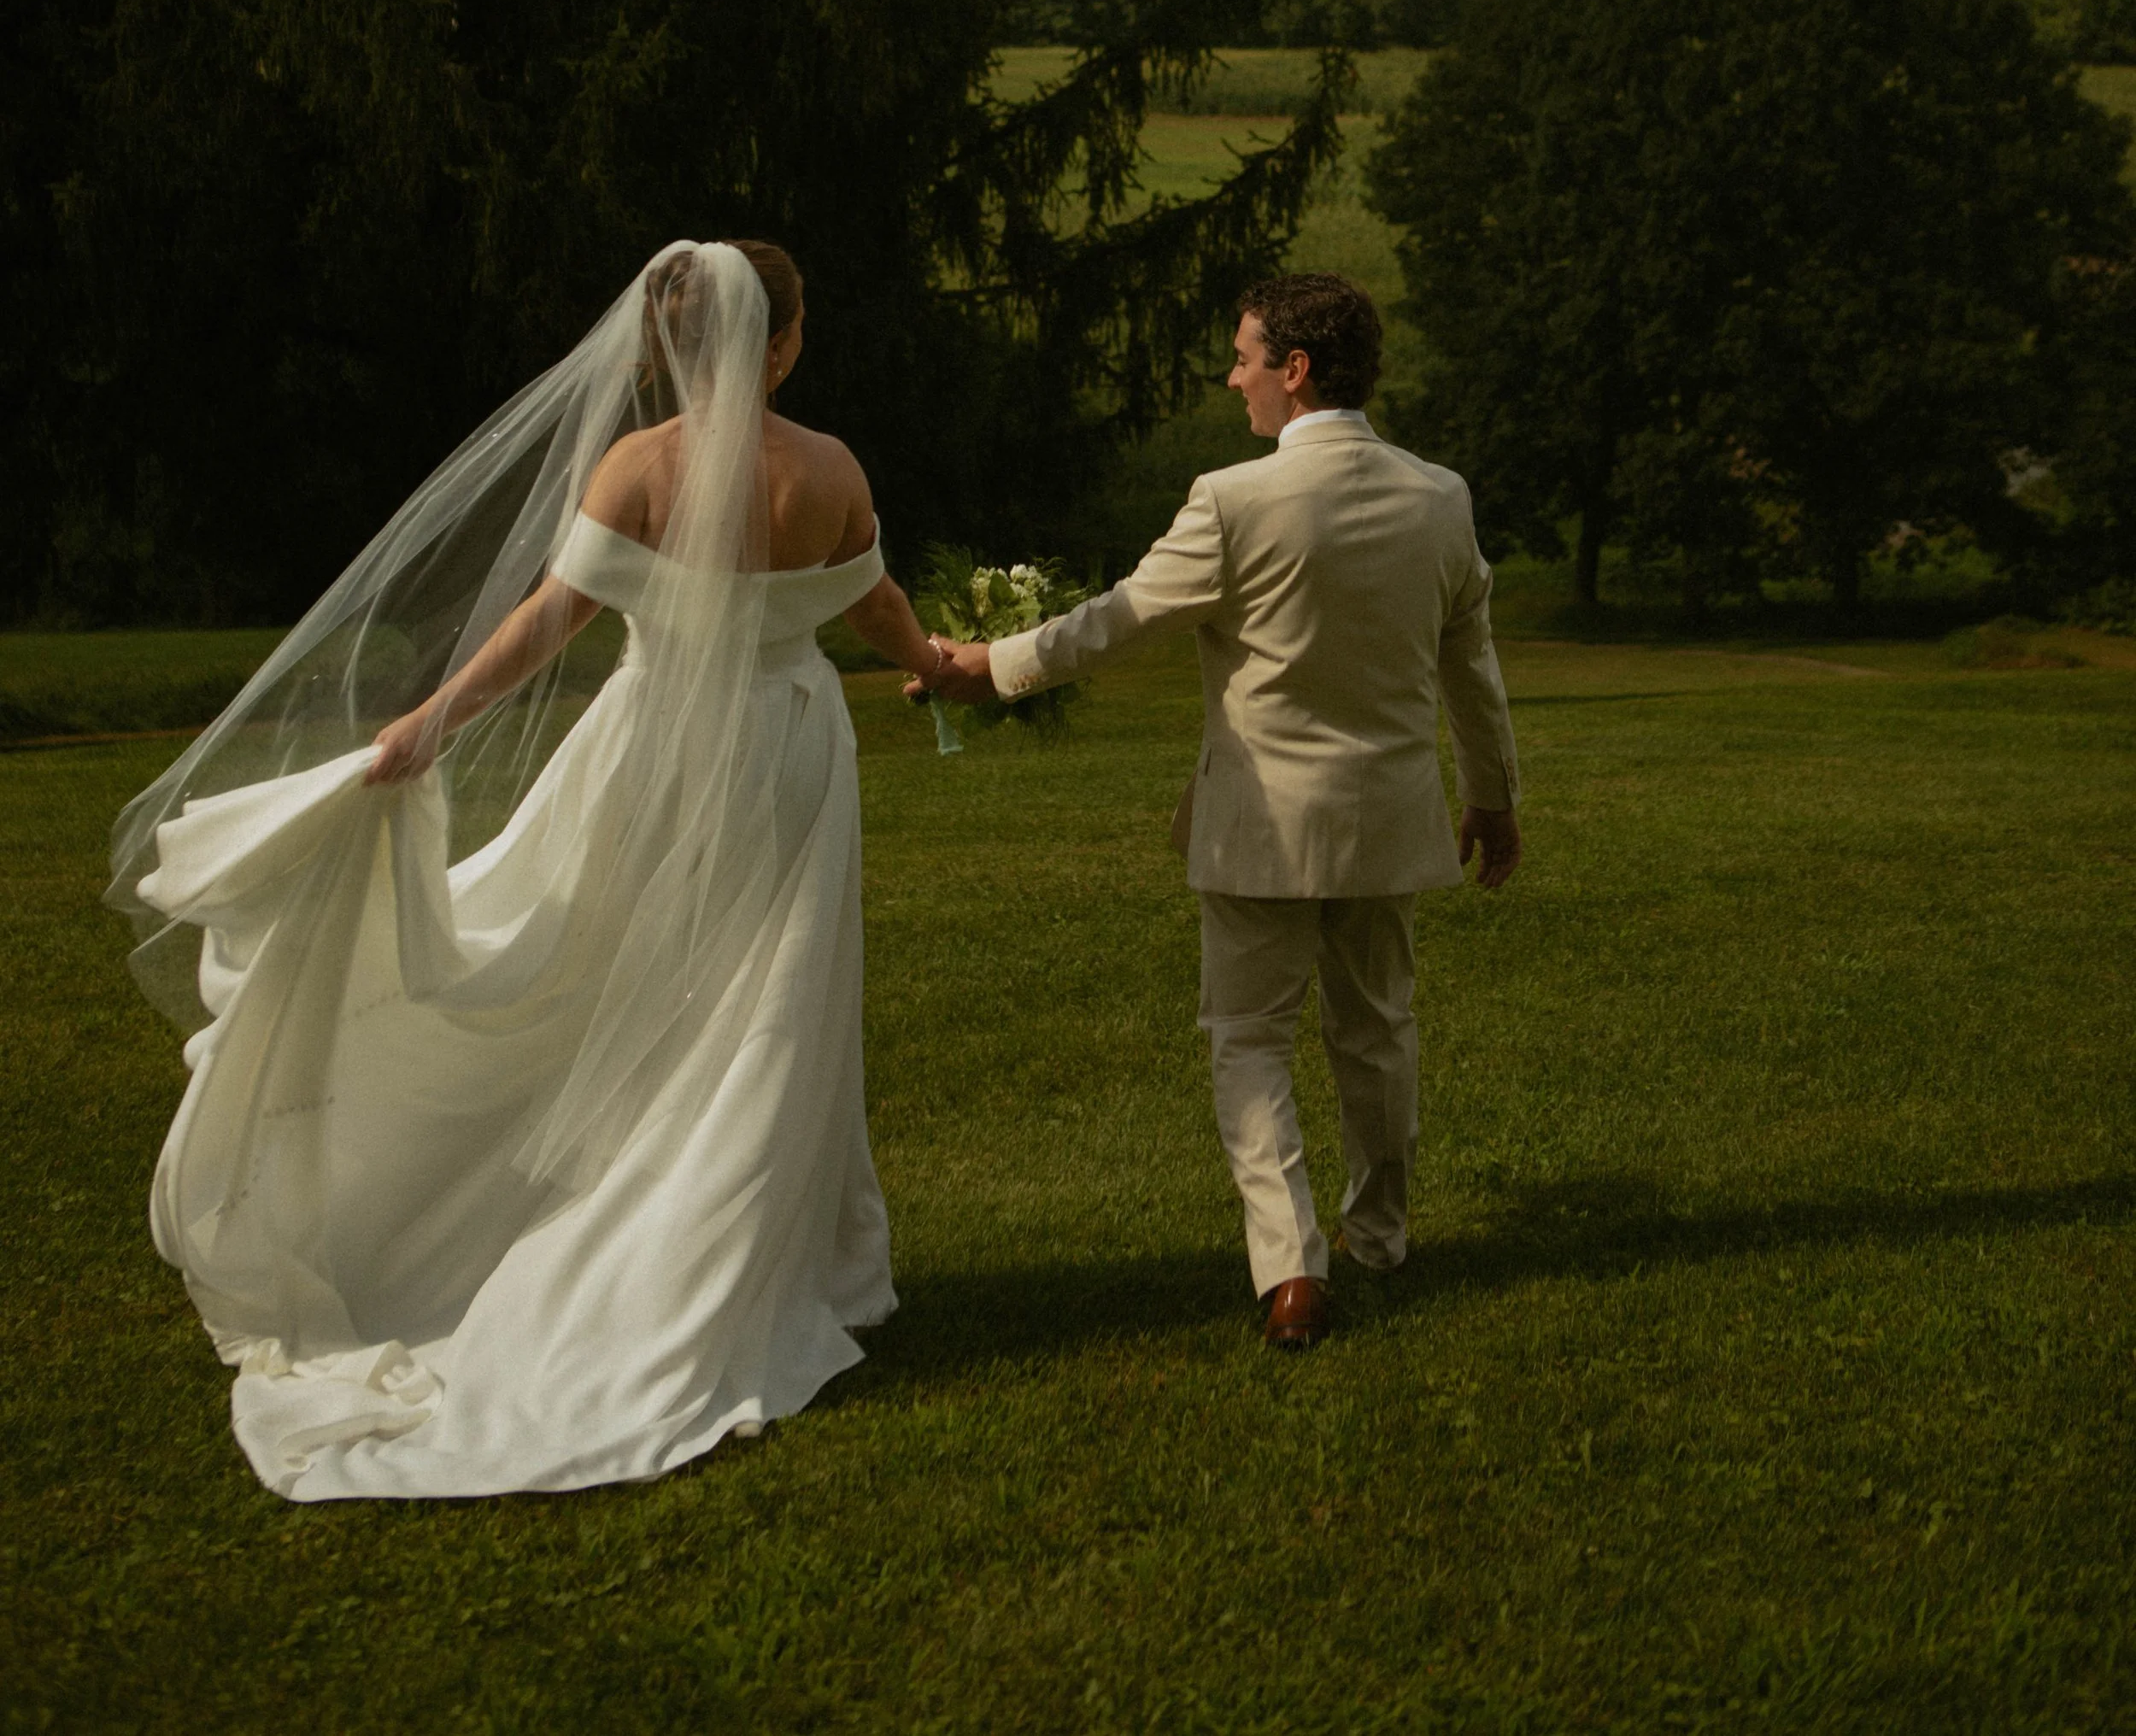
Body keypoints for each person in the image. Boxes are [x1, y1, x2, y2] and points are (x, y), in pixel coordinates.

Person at [109, 239, 944, 1498]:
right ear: (787, 339)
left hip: (653, 746)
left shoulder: (637, 467)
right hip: (788, 754)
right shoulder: (829, 470)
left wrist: (429, 719)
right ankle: (746, 1256)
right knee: (769, 1002)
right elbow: (875, 607)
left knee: (602, 971)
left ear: (666, 345)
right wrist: (937, 658)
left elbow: (552, 616)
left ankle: (633, 1229)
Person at [916, 270, 1522, 1348]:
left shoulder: (1234, 501)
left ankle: (1291, 1269)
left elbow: (1119, 621)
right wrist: (1493, 799)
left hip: (1258, 824)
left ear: (1294, 371)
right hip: (1387, 816)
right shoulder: (1441, 496)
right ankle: (1378, 1238)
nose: (1232, 377)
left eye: (1244, 357)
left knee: (1247, 1038)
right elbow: (1470, 666)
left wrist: (987, 668)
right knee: (1378, 1034)